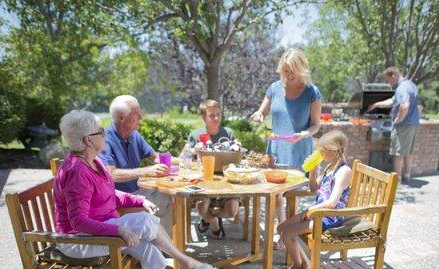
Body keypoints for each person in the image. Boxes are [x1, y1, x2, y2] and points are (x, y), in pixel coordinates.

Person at [53, 110, 201, 269]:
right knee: (144, 220)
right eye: (100, 132)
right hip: (78, 241)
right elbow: (78, 222)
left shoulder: (93, 162)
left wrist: (139, 200)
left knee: (149, 249)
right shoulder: (77, 171)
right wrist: (119, 230)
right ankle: (184, 261)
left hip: (98, 231)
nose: (104, 134)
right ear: (88, 140)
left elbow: (108, 194)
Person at [250, 48, 322, 250]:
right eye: (285, 71)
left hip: (298, 149)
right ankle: (280, 231)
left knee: (290, 195)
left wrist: (304, 134)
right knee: (275, 194)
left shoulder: (311, 92)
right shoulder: (274, 88)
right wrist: (258, 115)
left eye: (293, 72)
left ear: (302, 70)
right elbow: (261, 111)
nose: (289, 76)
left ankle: (285, 235)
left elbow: (316, 125)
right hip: (275, 149)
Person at [276, 130, 351, 269]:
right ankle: (305, 264)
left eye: (323, 151)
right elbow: (313, 188)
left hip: (330, 217)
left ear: (335, 150)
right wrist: (313, 172)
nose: (320, 154)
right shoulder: (329, 167)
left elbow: (332, 203)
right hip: (318, 213)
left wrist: (309, 211)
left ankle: (299, 266)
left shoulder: (343, 171)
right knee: (281, 228)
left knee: (288, 233)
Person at [98, 95, 173, 229]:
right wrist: (146, 170)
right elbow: (111, 174)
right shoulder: (104, 140)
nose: (141, 118)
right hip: (116, 201)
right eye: (137, 115)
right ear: (122, 117)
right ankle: (162, 244)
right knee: (165, 199)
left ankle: (161, 243)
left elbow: (154, 157)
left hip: (136, 194)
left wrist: (185, 160)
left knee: (167, 195)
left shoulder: (134, 135)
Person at [183, 99, 240, 239]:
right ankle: (213, 222)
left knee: (232, 211)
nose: (216, 118)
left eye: (218, 115)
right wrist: (192, 152)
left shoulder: (228, 133)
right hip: (204, 179)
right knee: (202, 207)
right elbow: (184, 158)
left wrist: (237, 148)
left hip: (227, 180)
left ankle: (206, 219)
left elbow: (238, 157)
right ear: (203, 118)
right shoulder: (196, 135)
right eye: (211, 115)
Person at [367, 67, 420, 183]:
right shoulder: (410, 84)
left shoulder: (402, 88)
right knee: (408, 152)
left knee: (398, 153)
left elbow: (405, 105)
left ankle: (395, 180)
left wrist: (398, 119)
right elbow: (393, 101)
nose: (388, 83)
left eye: (388, 80)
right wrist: (376, 104)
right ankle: (407, 176)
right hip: (413, 123)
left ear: (393, 76)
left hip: (404, 124)